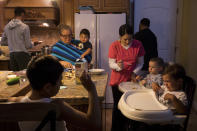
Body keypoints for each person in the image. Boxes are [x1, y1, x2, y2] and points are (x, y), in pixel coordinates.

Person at [8, 55, 101, 131]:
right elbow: (94, 123)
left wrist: (34, 80)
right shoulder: (57, 106)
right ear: (48, 87)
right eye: (60, 80)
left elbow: (10, 98)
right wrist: (91, 89)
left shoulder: (18, 102)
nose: (61, 83)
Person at [108, 24, 145, 131]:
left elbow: (140, 63)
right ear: (120, 37)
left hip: (132, 82)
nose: (128, 42)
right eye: (125, 39)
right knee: (118, 107)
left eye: (130, 39)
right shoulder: (114, 45)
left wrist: (134, 72)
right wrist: (119, 67)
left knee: (131, 107)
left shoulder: (138, 44)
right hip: (117, 82)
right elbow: (111, 64)